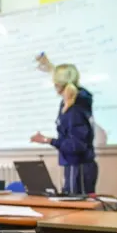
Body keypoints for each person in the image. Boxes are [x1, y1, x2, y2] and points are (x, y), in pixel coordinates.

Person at [31, 53, 98, 194]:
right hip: (77, 166)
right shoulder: (76, 102)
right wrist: (49, 67)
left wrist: (48, 140)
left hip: (78, 168)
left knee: (76, 210)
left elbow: (76, 145)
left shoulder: (74, 109)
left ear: (57, 84)